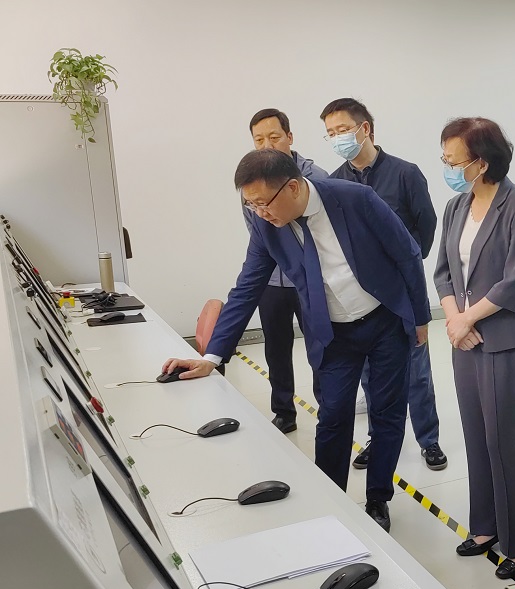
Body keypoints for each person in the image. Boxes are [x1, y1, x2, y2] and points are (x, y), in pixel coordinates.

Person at [162, 149, 430, 533]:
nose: (259, 212)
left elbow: (407, 254)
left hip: (385, 320)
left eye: (262, 203)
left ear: (292, 187)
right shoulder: (267, 227)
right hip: (333, 333)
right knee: (332, 417)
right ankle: (331, 500)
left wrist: (420, 318)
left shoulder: (356, 199)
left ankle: (378, 498)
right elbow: (247, 287)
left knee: (387, 414)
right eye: (250, 205)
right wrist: (212, 355)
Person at [433, 117, 515, 580]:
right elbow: (443, 272)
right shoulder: (455, 206)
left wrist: (468, 318)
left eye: (453, 161)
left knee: (507, 440)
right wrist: (454, 320)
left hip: (503, 338)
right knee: (476, 435)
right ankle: (486, 526)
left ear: (481, 162)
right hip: (464, 339)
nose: (448, 168)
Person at [321, 98, 446, 471]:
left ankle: (429, 440)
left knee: (416, 369)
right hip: (361, 298)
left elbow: (425, 227)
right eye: (330, 133)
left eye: (342, 130)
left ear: (365, 129)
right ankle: (378, 438)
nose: (337, 138)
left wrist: (403, 265)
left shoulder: (405, 174)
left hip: (402, 291)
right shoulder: (333, 183)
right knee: (370, 374)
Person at [244, 108, 327, 434]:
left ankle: (329, 411)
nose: (267, 145)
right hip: (272, 282)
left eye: (274, 137)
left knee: (320, 348)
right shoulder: (251, 183)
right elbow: (259, 236)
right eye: (259, 140)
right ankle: (283, 412)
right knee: (276, 350)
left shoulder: (316, 177)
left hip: (311, 281)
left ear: (290, 137)